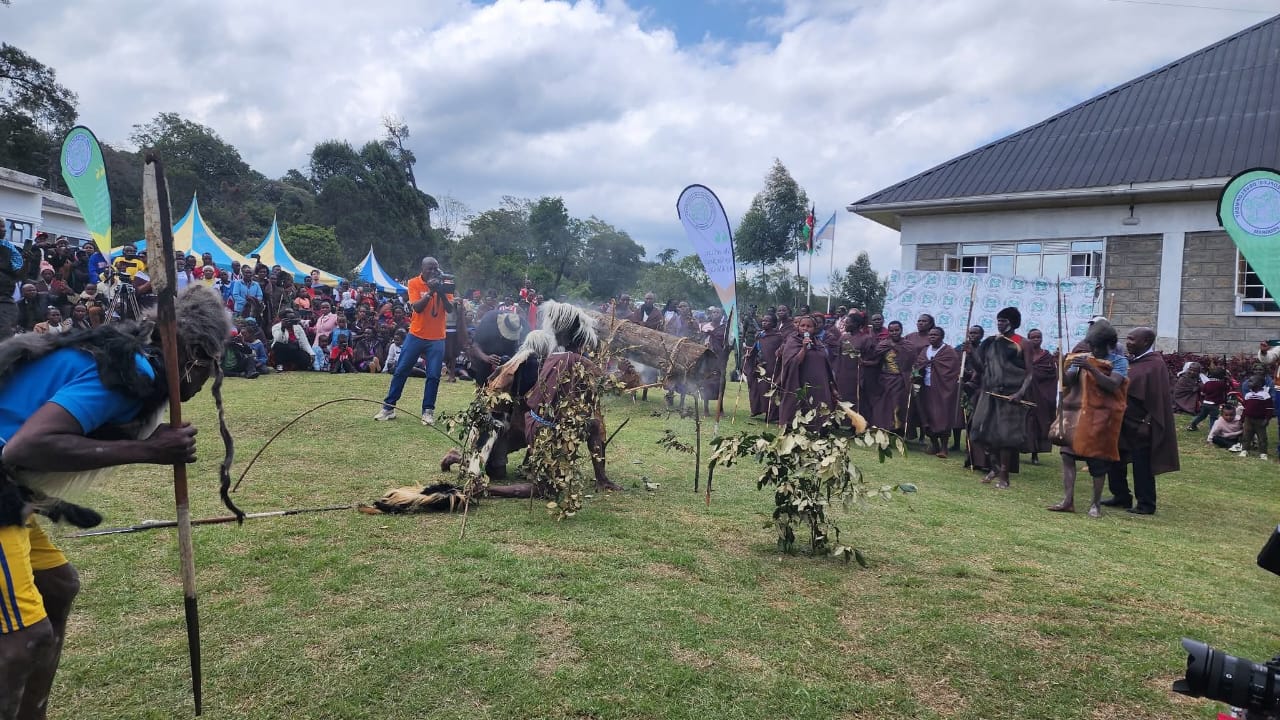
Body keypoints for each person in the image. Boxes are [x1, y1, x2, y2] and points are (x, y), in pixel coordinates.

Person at [0, 286, 228, 720]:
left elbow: (58, 430)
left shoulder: (128, 359)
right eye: (210, 368)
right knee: (24, 638)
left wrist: (137, 441)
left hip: (8, 491)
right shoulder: (129, 372)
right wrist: (148, 451)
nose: (205, 383)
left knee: (57, 586)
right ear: (193, 355)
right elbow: (25, 447)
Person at [1048, 320, 1128, 517]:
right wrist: (1058, 364)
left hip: (1101, 417)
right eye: (1091, 346)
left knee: (1097, 460)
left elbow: (1112, 386)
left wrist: (1091, 368)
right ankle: (1068, 500)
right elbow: (1067, 380)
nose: (1092, 350)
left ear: (1109, 344)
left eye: (1097, 347)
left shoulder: (1119, 362)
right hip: (1077, 415)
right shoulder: (1082, 358)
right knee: (1067, 455)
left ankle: (1095, 504)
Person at [1102, 327, 1179, 515]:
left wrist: (1148, 422)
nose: (1127, 342)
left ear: (1145, 342)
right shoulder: (1131, 362)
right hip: (1122, 420)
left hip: (1141, 423)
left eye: (1132, 339)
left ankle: (1146, 503)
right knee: (1114, 459)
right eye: (1127, 338)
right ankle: (1121, 495)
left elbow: (1159, 399)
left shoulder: (1155, 365)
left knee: (1141, 464)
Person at [375, 257, 454, 425]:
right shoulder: (413, 283)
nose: (433, 272)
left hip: (437, 337)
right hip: (416, 334)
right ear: (422, 269)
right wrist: (431, 291)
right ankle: (388, 408)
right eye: (430, 269)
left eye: (436, 269)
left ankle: (428, 411)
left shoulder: (445, 283)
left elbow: (450, 308)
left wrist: (440, 290)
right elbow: (416, 307)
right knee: (401, 369)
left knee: (433, 375)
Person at [969, 307, 1035, 489]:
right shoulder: (990, 342)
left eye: (1004, 321)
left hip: (1010, 394)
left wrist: (1020, 393)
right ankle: (995, 466)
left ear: (1012, 322)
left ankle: (1004, 476)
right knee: (979, 431)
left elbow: (1030, 373)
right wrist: (970, 353)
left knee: (1005, 436)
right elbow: (981, 368)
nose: (1000, 324)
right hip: (989, 392)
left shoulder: (1023, 343)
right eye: (998, 320)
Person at [776, 315, 838, 431]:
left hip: (818, 387)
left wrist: (831, 387)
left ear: (815, 328)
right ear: (798, 327)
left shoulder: (819, 343)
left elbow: (826, 366)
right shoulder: (793, 341)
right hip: (799, 383)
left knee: (818, 410)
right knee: (800, 407)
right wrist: (804, 348)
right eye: (802, 326)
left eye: (809, 326)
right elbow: (792, 363)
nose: (805, 328)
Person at [914, 326, 961, 458]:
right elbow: (918, 364)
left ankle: (944, 448)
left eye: (935, 335)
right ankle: (934, 444)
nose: (932, 337)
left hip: (943, 389)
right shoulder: (925, 350)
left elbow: (953, 370)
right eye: (930, 335)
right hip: (926, 387)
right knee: (927, 416)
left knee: (942, 417)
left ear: (942, 337)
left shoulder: (949, 351)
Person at [868, 320, 911, 434]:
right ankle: (883, 428)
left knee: (897, 404)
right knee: (883, 405)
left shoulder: (907, 345)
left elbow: (911, 363)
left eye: (897, 330)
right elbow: (876, 360)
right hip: (884, 379)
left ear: (901, 330)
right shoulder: (883, 344)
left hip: (900, 380)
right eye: (891, 330)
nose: (894, 333)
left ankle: (896, 429)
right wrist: (864, 362)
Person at [1023, 328, 1059, 464]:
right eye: (1033, 337)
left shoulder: (1047, 357)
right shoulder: (1024, 355)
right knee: (1026, 422)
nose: (1036, 340)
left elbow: (1052, 376)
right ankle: (1020, 450)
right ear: (1028, 339)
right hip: (1026, 394)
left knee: (1038, 424)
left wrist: (1057, 361)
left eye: (1039, 337)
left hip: (1041, 395)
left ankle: (1035, 454)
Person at [745, 313, 784, 421]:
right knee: (756, 388)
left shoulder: (778, 337)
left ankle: (770, 414)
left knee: (769, 389)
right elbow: (756, 348)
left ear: (773, 324)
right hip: (759, 365)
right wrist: (750, 355)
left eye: (767, 321)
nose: (764, 323)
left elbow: (781, 350)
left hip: (772, 366)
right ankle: (756, 409)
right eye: (763, 321)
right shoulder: (760, 335)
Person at [468, 310, 523, 386]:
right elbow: (475, 345)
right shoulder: (488, 322)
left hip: (506, 366)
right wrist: (486, 358)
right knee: (484, 386)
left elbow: (515, 350)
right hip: (485, 360)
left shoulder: (516, 323)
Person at [1239, 372, 1272, 459]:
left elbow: (1269, 409)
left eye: (1251, 381)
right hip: (1248, 419)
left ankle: (1263, 453)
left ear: (1259, 384)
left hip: (1260, 420)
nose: (1248, 383)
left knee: (1262, 437)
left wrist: (1267, 419)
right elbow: (1245, 408)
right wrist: (1242, 418)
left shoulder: (1265, 395)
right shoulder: (1248, 395)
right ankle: (1245, 450)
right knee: (1246, 435)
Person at [1188, 367, 1230, 432]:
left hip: (1205, 403)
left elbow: (1202, 393)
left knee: (1202, 415)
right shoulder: (1221, 384)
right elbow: (1227, 388)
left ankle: (1192, 425)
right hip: (1214, 404)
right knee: (1213, 418)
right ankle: (1212, 431)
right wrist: (1227, 380)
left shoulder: (1207, 383)